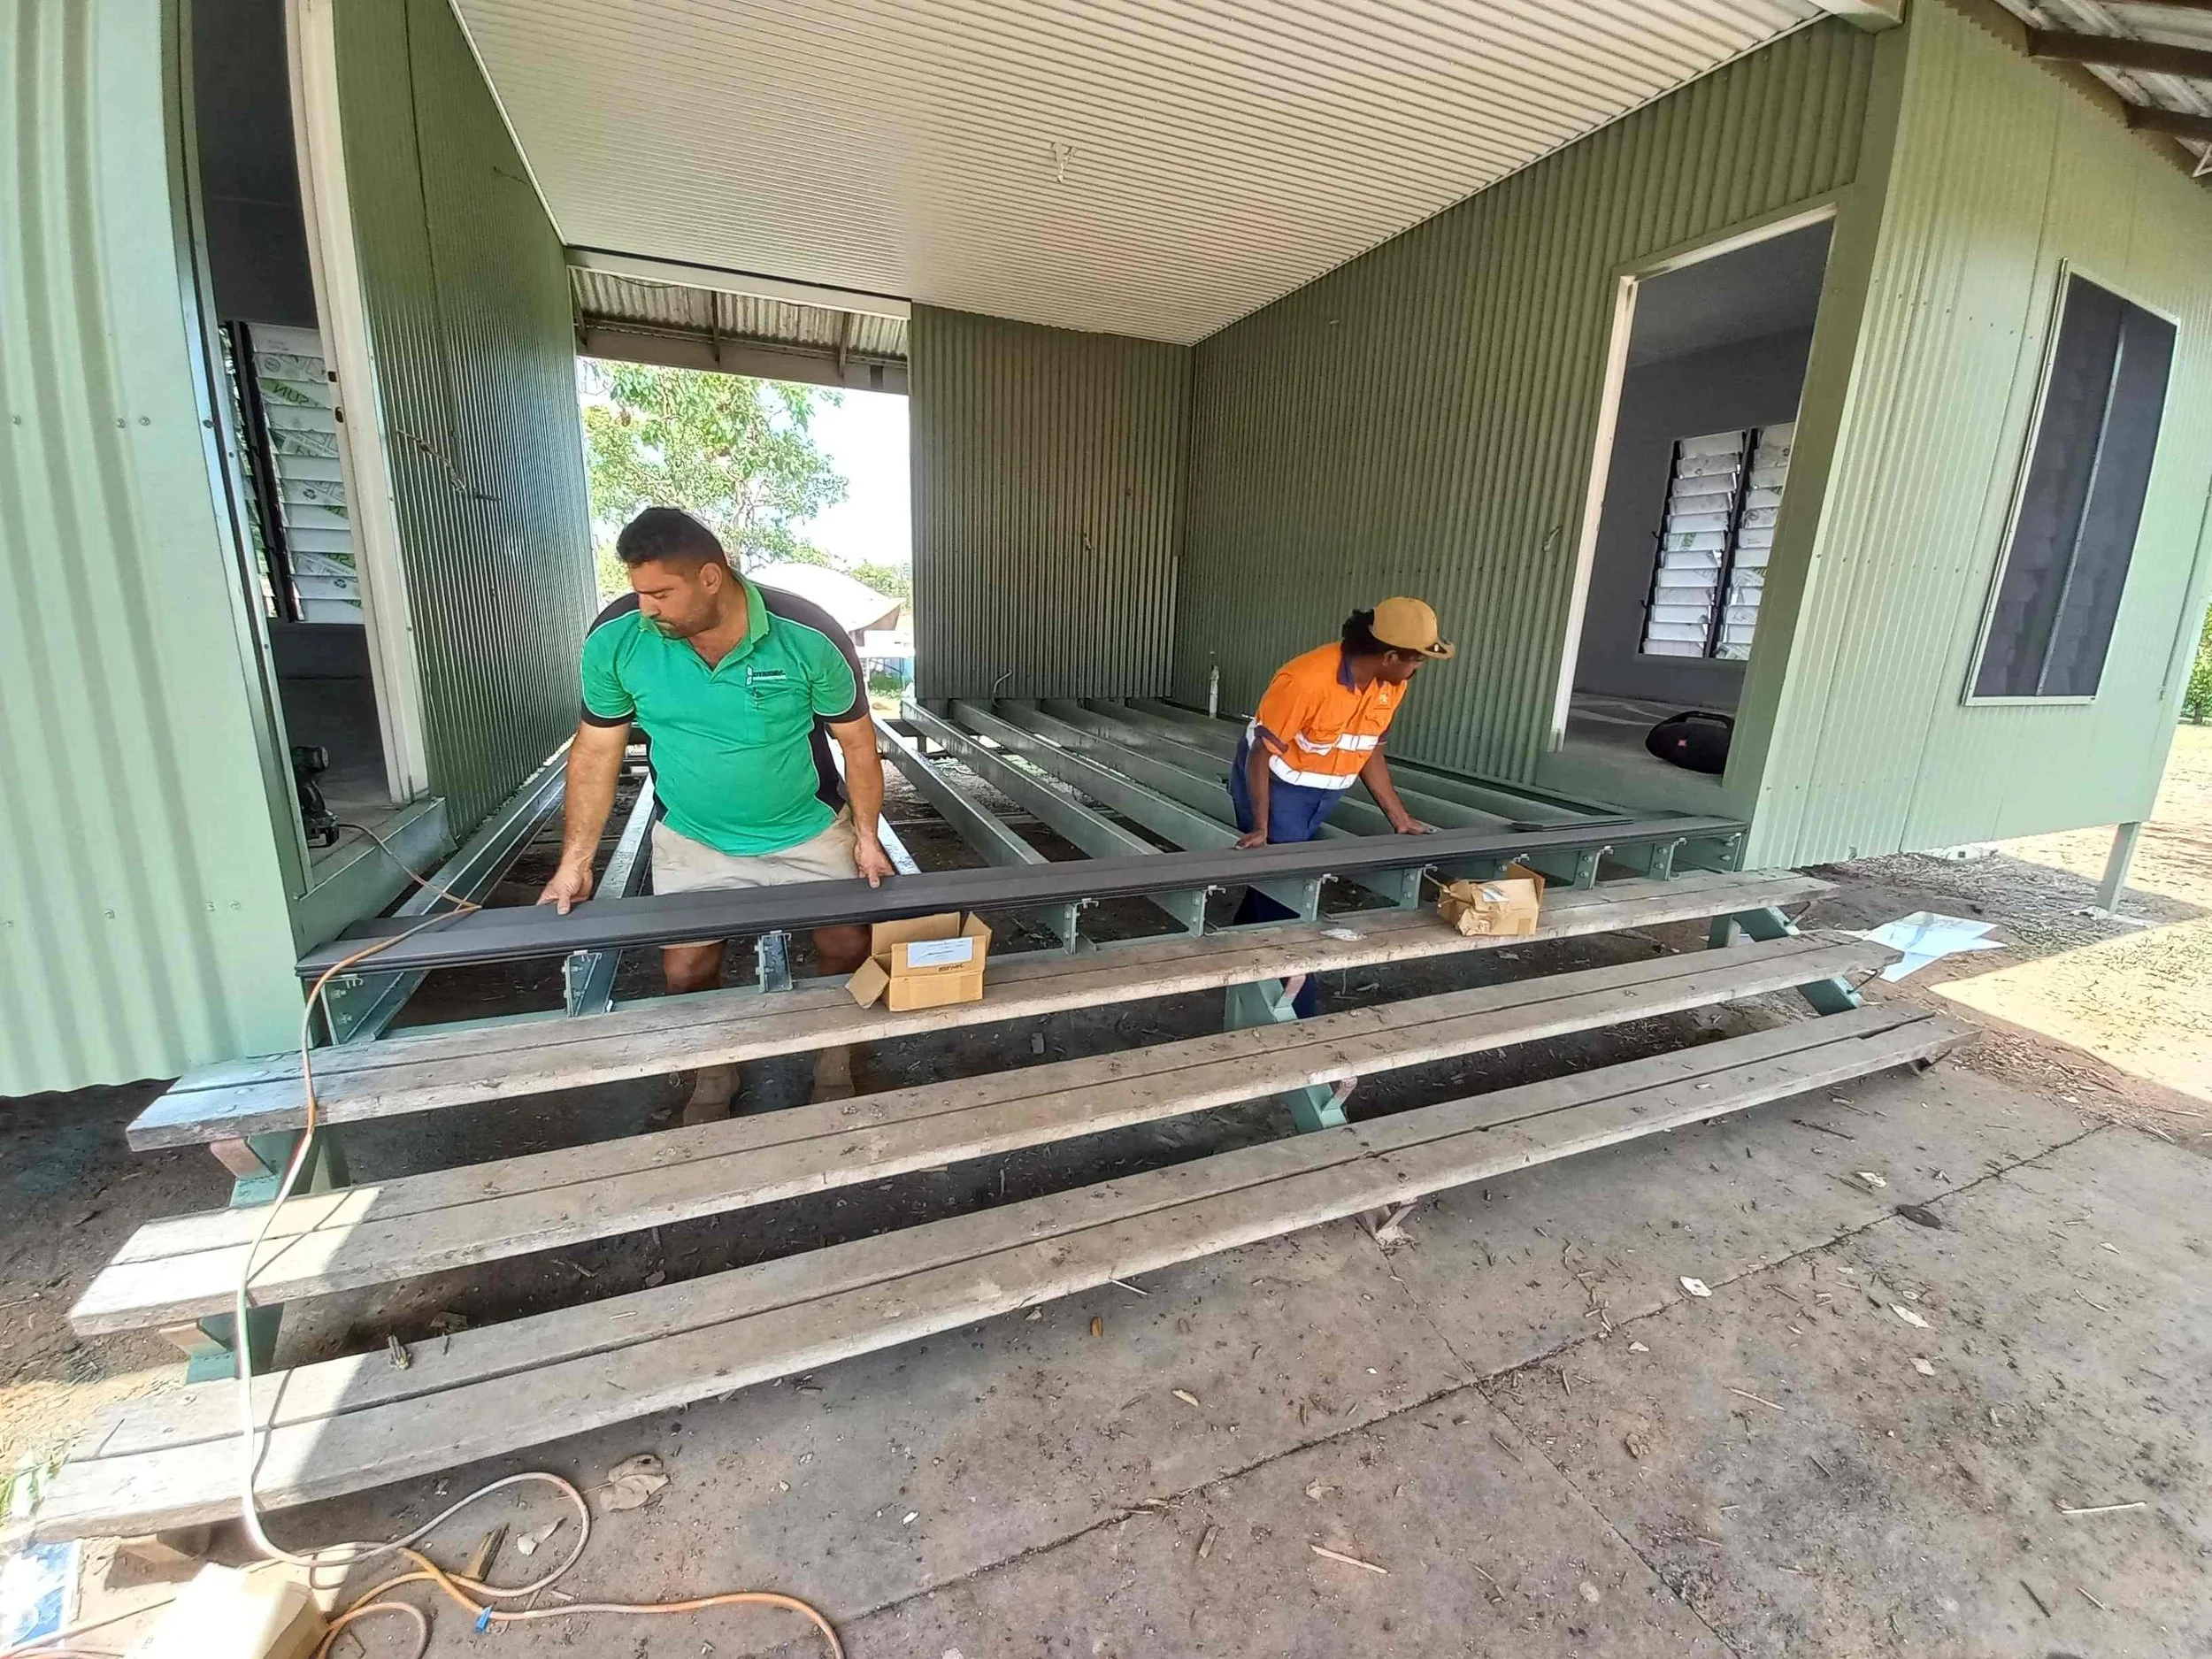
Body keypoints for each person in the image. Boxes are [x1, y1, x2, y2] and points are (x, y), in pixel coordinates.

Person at [537, 508, 896, 1118]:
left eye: (660, 594)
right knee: (685, 966)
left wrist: (866, 835)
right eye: (638, 591)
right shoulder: (617, 639)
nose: (646, 607)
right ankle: (714, 1067)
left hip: (807, 828)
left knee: (845, 945)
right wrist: (575, 862)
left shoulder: (807, 634)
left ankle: (834, 1054)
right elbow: (596, 751)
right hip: (695, 835)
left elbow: (858, 744)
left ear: (710, 576)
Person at [1230, 597, 1455, 1015]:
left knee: (1273, 883)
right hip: (1275, 790)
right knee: (1289, 889)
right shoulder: (1305, 680)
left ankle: (1234, 949)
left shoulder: (1392, 684)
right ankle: (1300, 1009)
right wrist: (1260, 826)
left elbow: (1370, 750)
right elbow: (1261, 755)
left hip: (1322, 793)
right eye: (1417, 660)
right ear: (1390, 656)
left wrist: (1400, 819)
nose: (1419, 668)